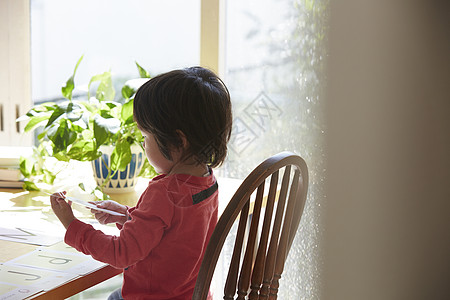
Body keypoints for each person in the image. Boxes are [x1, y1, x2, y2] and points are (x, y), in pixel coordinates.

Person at [50, 66, 233, 300]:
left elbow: (121, 254)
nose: (144, 145)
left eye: (146, 137)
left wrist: (71, 224)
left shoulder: (164, 192)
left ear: (178, 141)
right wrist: (128, 216)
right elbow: (174, 232)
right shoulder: (207, 180)